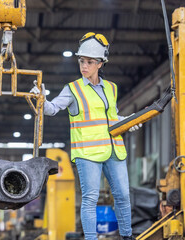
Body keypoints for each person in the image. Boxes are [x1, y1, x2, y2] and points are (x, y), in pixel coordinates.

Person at [30, 32, 141, 240]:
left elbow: (112, 117)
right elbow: (52, 109)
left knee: (123, 196)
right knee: (90, 199)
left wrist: (129, 121)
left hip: (114, 150)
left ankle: (127, 236)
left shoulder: (111, 88)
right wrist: (40, 99)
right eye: (82, 61)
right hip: (87, 152)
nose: (84, 66)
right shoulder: (72, 89)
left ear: (100, 63)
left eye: (89, 62)